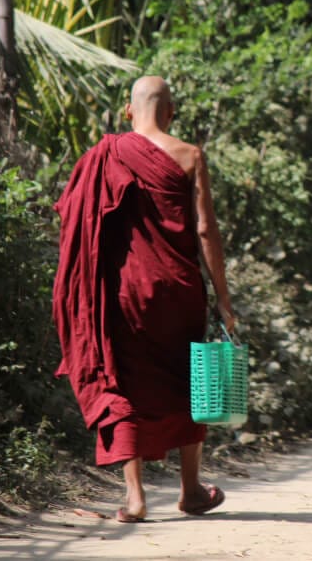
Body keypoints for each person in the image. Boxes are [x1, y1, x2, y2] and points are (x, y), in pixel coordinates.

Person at [53, 76, 236, 523]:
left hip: (124, 294)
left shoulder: (104, 156)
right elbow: (206, 230)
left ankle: (135, 499)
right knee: (190, 381)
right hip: (179, 289)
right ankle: (191, 489)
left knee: (123, 383)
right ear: (171, 111)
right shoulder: (190, 155)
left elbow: (79, 227)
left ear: (128, 112)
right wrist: (225, 301)